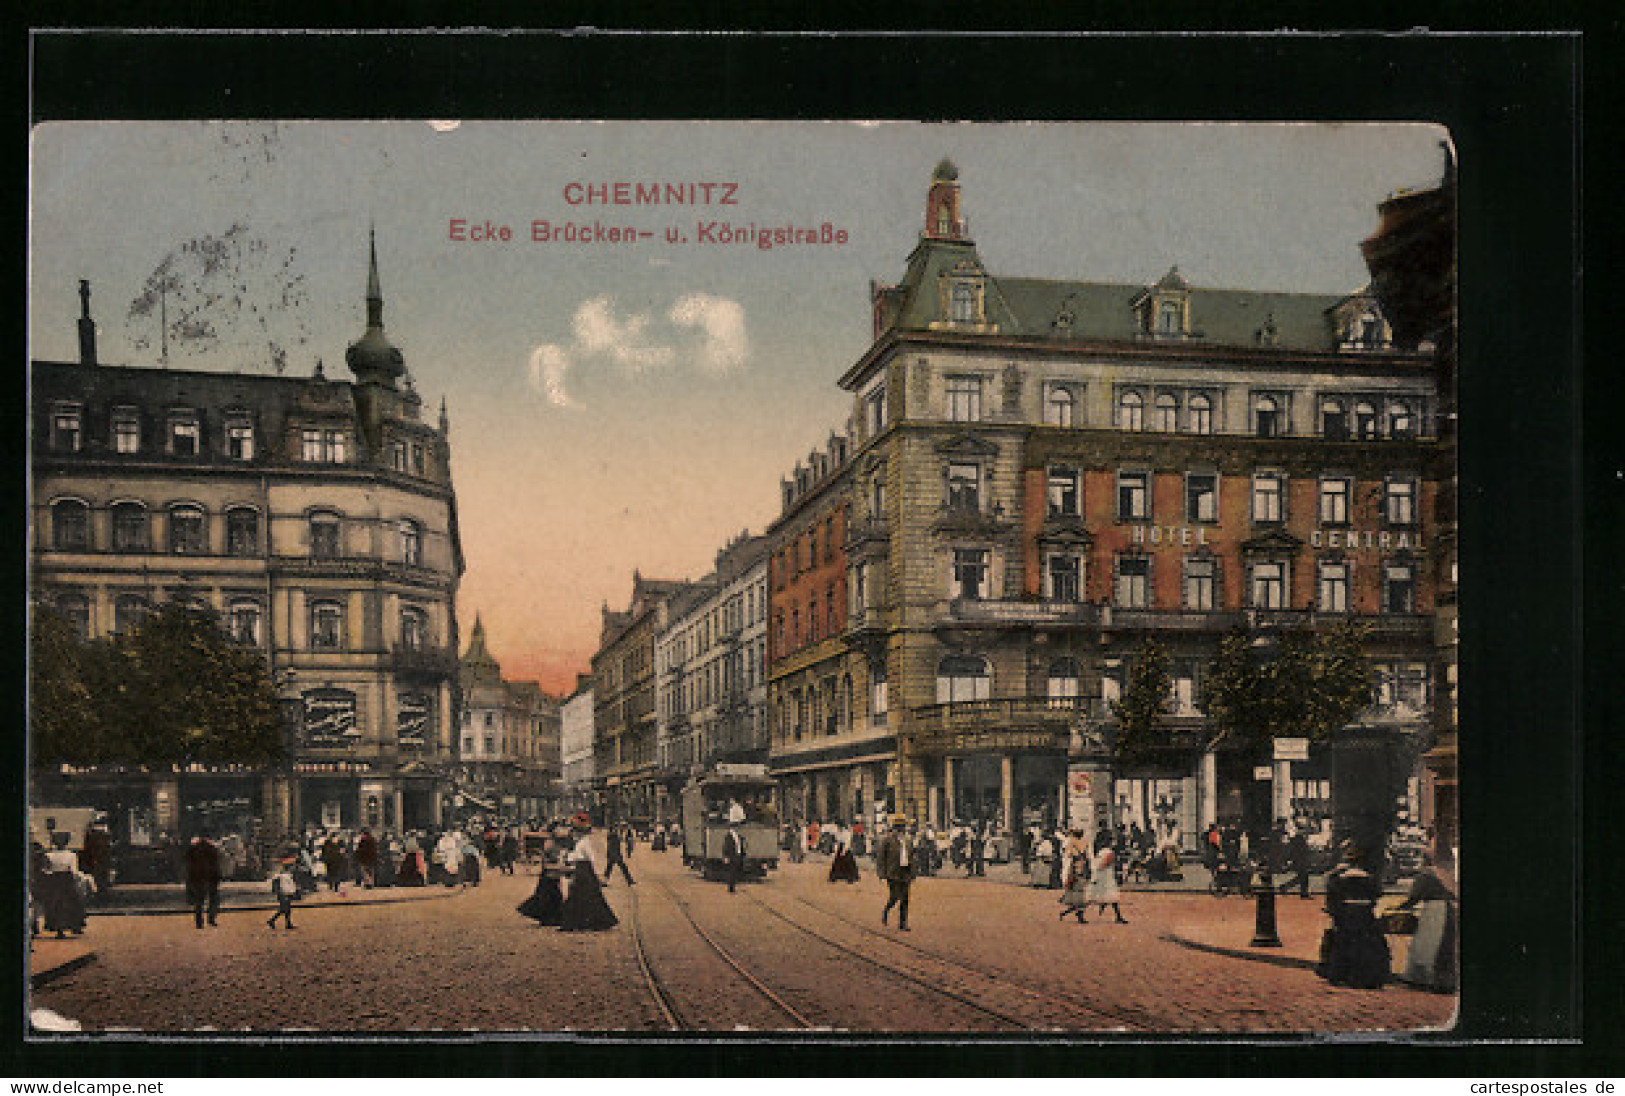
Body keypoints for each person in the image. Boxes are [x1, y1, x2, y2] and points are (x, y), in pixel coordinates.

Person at [1316, 842, 1390, 989]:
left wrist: (1333, 910)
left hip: (1346, 913)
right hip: (1364, 913)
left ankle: (1341, 973)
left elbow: (1332, 895)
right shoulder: (1369, 878)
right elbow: (1376, 894)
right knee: (1366, 943)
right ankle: (1364, 976)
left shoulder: (1339, 878)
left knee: (1343, 942)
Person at [1395, 851, 1457, 993]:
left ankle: (1422, 979)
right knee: (1443, 944)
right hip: (1448, 908)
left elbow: (1414, 896)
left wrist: (1400, 907)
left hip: (1432, 909)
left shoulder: (1425, 875)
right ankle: (1442, 980)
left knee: (1426, 944)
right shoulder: (1448, 876)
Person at [559, 815, 618, 932]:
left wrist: (596, 873)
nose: (574, 834)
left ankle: (591, 922)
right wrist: (568, 857)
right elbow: (576, 855)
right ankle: (578, 922)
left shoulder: (585, 842)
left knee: (585, 895)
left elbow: (591, 858)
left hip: (585, 870)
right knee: (583, 895)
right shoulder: (581, 842)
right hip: (581, 869)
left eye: (576, 831)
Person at [38, 833, 89, 937]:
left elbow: (46, 870)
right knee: (72, 902)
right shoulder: (71, 855)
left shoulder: (49, 855)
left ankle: (59, 929)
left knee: (55, 903)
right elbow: (74, 871)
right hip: (66, 880)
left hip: (54, 881)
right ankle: (75, 926)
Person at [876, 815, 916, 931]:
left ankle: (903, 923)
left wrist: (913, 872)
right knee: (894, 897)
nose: (901, 830)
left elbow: (912, 856)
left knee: (905, 899)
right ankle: (886, 911)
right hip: (893, 872)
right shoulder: (888, 840)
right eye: (898, 827)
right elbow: (881, 857)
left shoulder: (908, 840)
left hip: (905, 871)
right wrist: (882, 873)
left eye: (902, 827)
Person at [184, 835, 222, 929]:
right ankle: (211, 918)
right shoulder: (212, 848)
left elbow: (188, 863)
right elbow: (216, 863)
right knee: (212, 899)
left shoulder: (194, 848)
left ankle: (199, 921)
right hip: (209, 876)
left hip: (199, 877)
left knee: (199, 900)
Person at [1084, 845, 1129, 924]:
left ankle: (1117, 916)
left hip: (1102, 876)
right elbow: (1102, 865)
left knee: (1103, 897)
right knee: (1111, 897)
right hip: (1106, 877)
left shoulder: (1100, 852)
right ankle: (1079, 911)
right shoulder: (1109, 852)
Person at [1280, 827, 1313, 899]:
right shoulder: (1298, 839)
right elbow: (1294, 850)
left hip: (1300, 860)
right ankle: (1303, 893)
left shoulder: (1299, 838)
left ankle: (1285, 887)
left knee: (1302, 877)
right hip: (1299, 860)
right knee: (1303, 876)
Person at [267, 859, 299, 930]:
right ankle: (272, 920)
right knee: (283, 909)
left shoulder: (288, 875)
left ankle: (287, 923)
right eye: (292, 866)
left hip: (288, 893)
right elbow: (279, 885)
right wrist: (279, 892)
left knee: (287, 909)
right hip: (284, 894)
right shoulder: (281, 875)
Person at [723, 823, 747, 894]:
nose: (737, 828)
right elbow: (725, 846)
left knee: (736, 871)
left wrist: (743, 853)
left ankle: (734, 886)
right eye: (736, 827)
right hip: (732, 856)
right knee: (731, 872)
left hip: (738, 855)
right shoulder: (729, 836)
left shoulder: (738, 836)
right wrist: (726, 856)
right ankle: (731, 888)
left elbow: (740, 845)